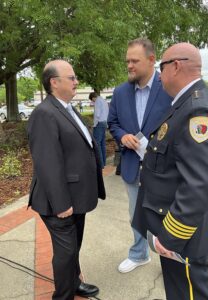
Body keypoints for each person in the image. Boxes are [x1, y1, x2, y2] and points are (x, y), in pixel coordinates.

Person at [132, 43, 208, 300]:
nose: (159, 75)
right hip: (178, 228)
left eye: (160, 67)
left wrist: (171, 235)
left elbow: (199, 184)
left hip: (183, 236)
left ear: (176, 65)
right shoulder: (186, 102)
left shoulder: (197, 109)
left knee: (188, 294)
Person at [27, 59, 105, 300]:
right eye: (71, 78)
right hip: (58, 202)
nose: (76, 81)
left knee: (74, 248)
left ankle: (74, 282)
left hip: (77, 197)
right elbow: (47, 163)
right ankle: (63, 295)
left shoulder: (67, 109)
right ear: (54, 82)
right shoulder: (44, 113)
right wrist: (61, 204)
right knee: (66, 252)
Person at [108, 37, 171, 273]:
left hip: (163, 168)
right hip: (134, 166)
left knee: (168, 216)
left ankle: (171, 260)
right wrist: (122, 136)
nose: (129, 66)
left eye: (135, 61)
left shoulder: (168, 87)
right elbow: (113, 122)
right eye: (127, 61)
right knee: (136, 214)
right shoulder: (121, 92)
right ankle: (139, 253)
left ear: (152, 60)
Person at [89, 92, 109, 168]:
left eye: (92, 100)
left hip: (99, 123)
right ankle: (103, 163)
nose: (93, 102)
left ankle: (100, 164)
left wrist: (94, 125)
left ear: (93, 97)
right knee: (102, 143)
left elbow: (97, 114)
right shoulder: (104, 100)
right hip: (104, 123)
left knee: (97, 144)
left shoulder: (97, 101)